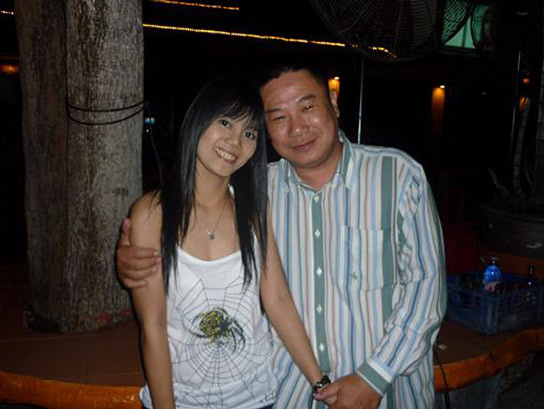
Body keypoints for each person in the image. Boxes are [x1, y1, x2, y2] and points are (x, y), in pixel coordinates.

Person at [118, 64, 447, 409]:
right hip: (290, 395)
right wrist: (131, 258)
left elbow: (426, 288)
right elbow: (184, 222)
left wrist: (375, 376)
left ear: (334, 103)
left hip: (383, 392)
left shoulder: (396, 176)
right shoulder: (261, 192)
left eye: (307, 107)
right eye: (278, 117)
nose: (297, 127)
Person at [127, 77, 330, 409]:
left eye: (249, 133)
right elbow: (153, 328)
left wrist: (320, 382)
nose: (235, 141)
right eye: (225, 122)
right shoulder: (151, 214)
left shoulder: (253, 208)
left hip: (258, 397)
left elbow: (277, 298)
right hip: (182, 398)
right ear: (198, 120)